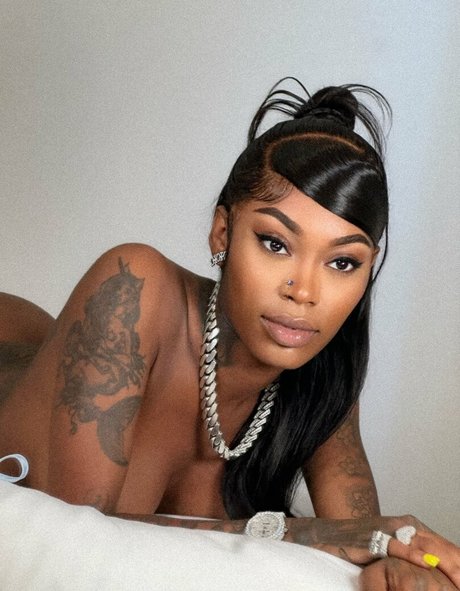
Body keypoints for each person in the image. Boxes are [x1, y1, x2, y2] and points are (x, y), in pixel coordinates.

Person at [0, 78, 458, 590]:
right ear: (223, 232)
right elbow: (76, 540)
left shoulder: (322, 375)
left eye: (342, 262)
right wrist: (301, 534)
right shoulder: (134, 287)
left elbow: (365, 540)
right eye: (275, 243)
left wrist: (402, 566)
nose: (304, 292)